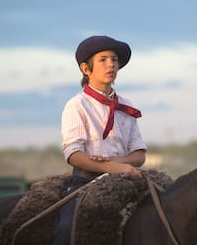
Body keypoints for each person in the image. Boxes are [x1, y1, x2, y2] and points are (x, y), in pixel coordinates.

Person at [53, 35, 147, 245]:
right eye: (103, 59)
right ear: (86, 69)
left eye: (114, 60)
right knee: (68, 228)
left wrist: (116, 165)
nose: (111, 64)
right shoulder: (76, 105)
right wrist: (109, 167)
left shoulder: (127, 106)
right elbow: (74, 155)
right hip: (86, 179)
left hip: (127, 177)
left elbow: (139, 155)